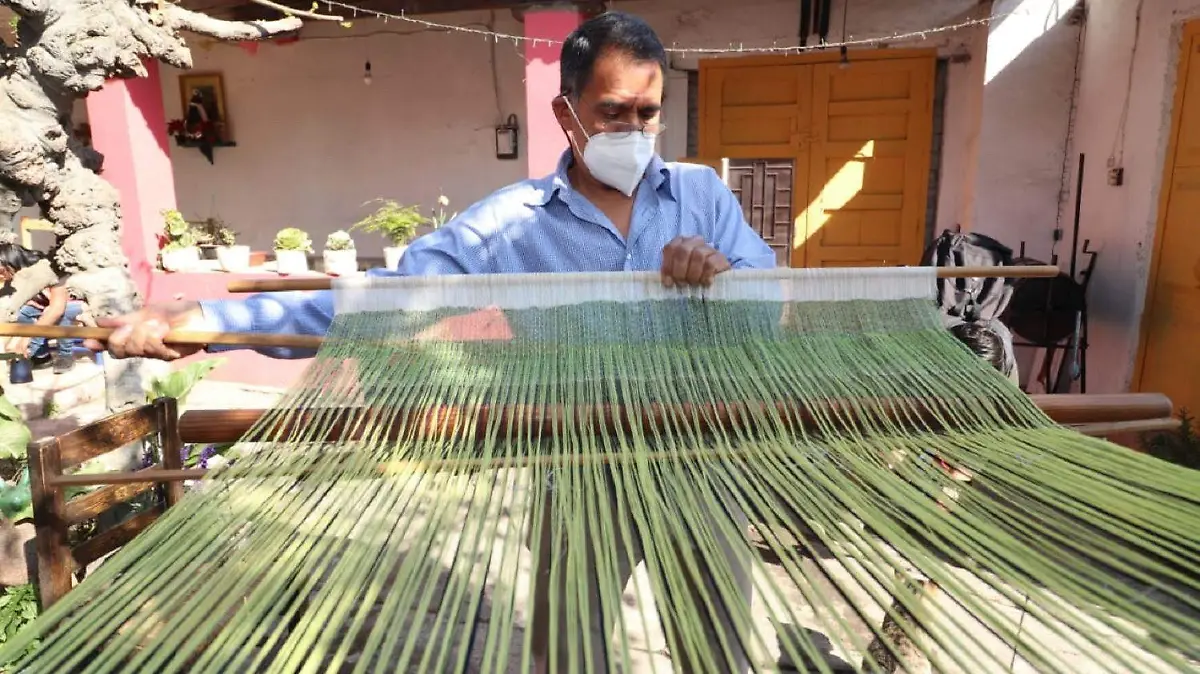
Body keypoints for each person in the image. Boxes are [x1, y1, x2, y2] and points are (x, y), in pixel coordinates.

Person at [85, 11, 774, 673]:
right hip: (579, 465)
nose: (634, 128)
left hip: (701, 461)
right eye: (613, 113)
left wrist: (725, 278)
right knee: (569, 653)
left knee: (718, 651)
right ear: (566, 114)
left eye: (646, 114)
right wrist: (212, 324)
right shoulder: (512, 225)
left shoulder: (702, 197)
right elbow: (394, 300)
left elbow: (768, 305)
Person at [0, 243, 87, 374]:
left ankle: (65, 355)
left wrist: (29, 339)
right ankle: (42, 356)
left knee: (61, 314)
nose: (1, 276)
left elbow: (57, 308)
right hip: (46, 305)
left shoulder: (50, 268)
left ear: (12, 263)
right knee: (23, 313)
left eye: (1, 271)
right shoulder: (14, 278)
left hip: (76, 303)